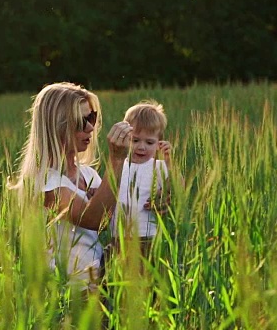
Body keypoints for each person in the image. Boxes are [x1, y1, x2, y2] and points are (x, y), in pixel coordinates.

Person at [9, 82, 133, 291]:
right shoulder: (45, 184)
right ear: (56, 125)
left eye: (91, 117)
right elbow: (94, 219)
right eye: (80, 121)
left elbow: (117, 212)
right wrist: (117, 161)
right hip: (67, 296)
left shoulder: (87, 173)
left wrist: (156, 201)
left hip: (97, 286)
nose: (91, 127)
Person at [111, 100, 174, 258]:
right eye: (135, 140)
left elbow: (177, 187)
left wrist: (170, 162)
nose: (141, 147)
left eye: (149, 142)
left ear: (159, 143)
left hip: (149, 237)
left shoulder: (158, 166)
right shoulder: (119, 165)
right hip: (119, 237)